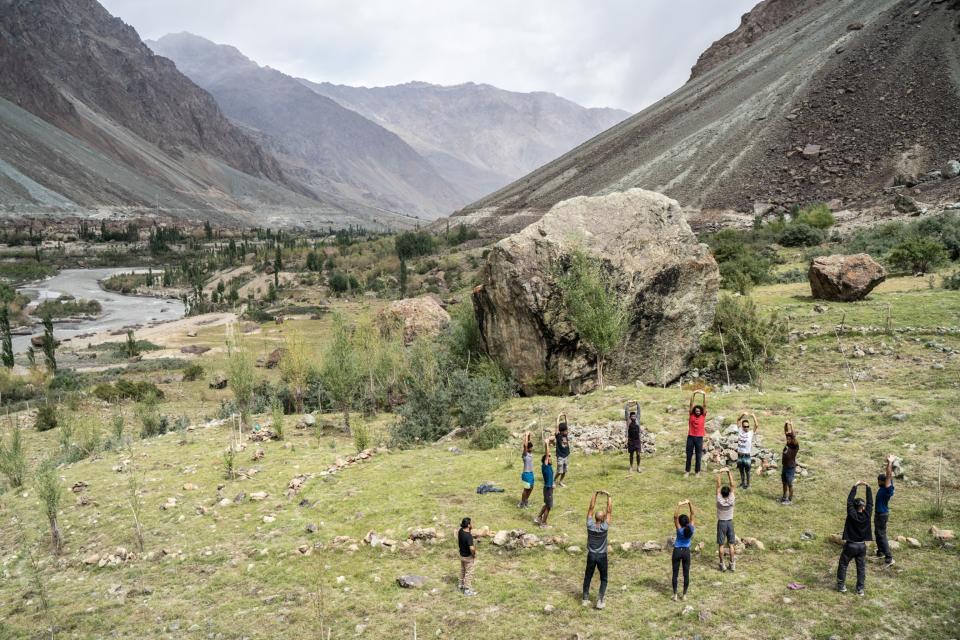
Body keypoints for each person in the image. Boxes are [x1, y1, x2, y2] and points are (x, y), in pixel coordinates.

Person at [837, 480, 873, 596]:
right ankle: (860, 590)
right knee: (861, 568)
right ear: (863, 507)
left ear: (854, 506)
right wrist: (868, 487)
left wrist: (855, 486)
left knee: (843, 564)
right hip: (862, 546)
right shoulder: (867, 515)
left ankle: (841, 586)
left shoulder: (852, 514)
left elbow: (849, 502)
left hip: (850, 545)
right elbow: (871, 504)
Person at [582, 490, 612, 610]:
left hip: (591, 554)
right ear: (604, 518)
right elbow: (609, 510)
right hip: (602, 556)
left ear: (594, 517)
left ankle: (585, 599)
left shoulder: (590, 525)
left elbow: (591, 507)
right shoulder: (605, 527)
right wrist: (609, 496)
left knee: (588, 576)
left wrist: (595, 493)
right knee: (604, 578)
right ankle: (600, 600)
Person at [672, 500, 696, 600]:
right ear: (687, 522)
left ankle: (675, 595)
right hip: (686, 551)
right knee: (686, 574)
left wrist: (679, 505)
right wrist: (689, 503)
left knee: (675, 573)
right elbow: (693, 514)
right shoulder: (691, 529)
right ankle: (684, 595)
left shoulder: (679, 530)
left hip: (677, 551)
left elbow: (675, 517)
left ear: (680, 523)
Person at [875, 455, 896, 567]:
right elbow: (888, 476)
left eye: (878, 481)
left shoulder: (888, 488)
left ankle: (889, 557)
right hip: (879, 514)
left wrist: (890, 463)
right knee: (878, 533)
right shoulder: (884, 487)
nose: (877, 482)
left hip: (882, 515)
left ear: (883, 481)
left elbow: (888, 475)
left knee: (881, 535)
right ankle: (881, 552)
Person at [715, 468, 736, 572]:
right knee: (731, 544)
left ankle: (722, 564)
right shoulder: (732, 498)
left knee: (721, 545)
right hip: (730, 522)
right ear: (729, 493)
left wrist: (720, 472)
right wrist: (728, 472)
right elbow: (732, 485)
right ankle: (732, 564)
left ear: (722, 494)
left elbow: (718, 486)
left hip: (721, 523)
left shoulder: (719, 500)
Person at [685, 391, 707, 477]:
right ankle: (687, 471)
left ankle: (697, 472)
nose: (697, 412)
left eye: (699, 411)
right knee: (689, 454)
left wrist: (704, 395)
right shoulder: (691, 415)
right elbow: (691, 404)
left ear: (701, 411)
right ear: (694, 411)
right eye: (696, 411)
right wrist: (693, 394)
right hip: (690, 437)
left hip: (699, 438)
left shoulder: (703, 415)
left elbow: (704, 405)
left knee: (698, 455)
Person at [736, 413, 759, 489]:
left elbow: (756, 425)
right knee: (741, 471)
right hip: (740, 455)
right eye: (745, 426)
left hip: (746, 455)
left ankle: (748, 485)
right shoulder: (739, 430)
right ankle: (742, 483)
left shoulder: (750, 433)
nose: (746, 428)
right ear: (742, 426)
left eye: (748, 426)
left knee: (748, 471)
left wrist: (753, 416)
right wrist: (742, 414)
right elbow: (738, 420)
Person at [780, 422, 800, 504]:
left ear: (792, 439)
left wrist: (791, 425)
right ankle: (784, 497)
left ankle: (790, 499)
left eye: (789, 439)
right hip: (784, 467)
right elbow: (785, 431)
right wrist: (785, 424)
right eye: (787, 439)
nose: (787, 440)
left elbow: (794, 436)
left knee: (789, 484)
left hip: (790, 468)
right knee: (784, 483)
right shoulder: (788, 443)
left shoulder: (795, 445)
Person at [457, 517, 477, 596]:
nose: (472, 524)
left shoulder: (460, 531)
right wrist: (474, 554)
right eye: (471, 523)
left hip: (462, 555)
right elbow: (471, 548)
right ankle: (467, 590)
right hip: (468, 557)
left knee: (462, 570)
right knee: (469, 573)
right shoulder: (468, 536)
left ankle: (460, 585)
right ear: (468, 525)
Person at [535, 449, 555, 527]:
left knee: (547, 504)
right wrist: (547, 443)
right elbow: (547, 454)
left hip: (549, 488)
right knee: (548, 507)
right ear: (546, 461)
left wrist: (552, 483)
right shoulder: (545, 466)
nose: (550, 459)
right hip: (548, 489)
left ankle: (538, 517)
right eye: (549, 458)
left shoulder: (549, 466)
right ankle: (543, 523)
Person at [518, 432, 534, 508]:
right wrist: (526, 435)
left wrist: (529, 436)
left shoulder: (530, 453)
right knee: (526, 489)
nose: (532, 448)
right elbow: (525, 445)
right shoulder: (525, 454)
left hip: (531, 474)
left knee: (531, 488)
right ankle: (522, 503)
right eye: (530, 448)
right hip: (526, 474)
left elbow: (528, 443)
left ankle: (526, 500)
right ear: (527, 449)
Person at [554, 419, 571, 487]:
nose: (567, 432)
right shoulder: (558, 436)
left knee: (564, 471)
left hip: (566, 456)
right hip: (560, 456)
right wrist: (558, 417)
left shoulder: (565, 435)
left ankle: (561, 482)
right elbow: (556, 428)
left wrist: (565, 417)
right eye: (565, 431)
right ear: (561, 431)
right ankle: (553, 480)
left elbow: (566, 425)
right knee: (559, 471)